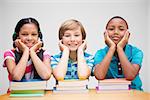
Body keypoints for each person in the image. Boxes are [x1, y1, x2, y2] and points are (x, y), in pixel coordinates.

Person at [94, 16, 143, 90]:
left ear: (128, 34)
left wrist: (119, 48)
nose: (116, 32)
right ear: (105, 34)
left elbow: (130, 76)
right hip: (110, 93)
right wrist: (112, 48)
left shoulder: (136, 52)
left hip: (133, 93)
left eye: (121, 29)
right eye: (111, 29)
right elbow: (99, 76)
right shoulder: (100, 53)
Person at [3, 17, 52, 83]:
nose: (29, 38)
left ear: (39, 36)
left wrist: (32, 52)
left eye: (34, 34)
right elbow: (16, 77)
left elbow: (46, 76)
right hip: (16, 93)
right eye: (24, 34)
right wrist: (26, 51)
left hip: (38, 92)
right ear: (17, 36)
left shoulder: (45, 54)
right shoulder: (10, 54)